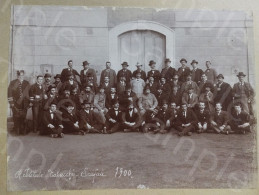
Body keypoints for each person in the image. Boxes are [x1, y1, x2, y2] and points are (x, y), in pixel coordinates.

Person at [8, 70, 30, 135]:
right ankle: (16, 129)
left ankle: (22, 129)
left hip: (24, 103)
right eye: (20, 75)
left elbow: (30, 93)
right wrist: (11, 102)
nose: (21, 76)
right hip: (15, 103)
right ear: (17, 76)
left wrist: (30, 102)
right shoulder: (13, 82)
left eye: (22, 75)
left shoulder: (26, 83)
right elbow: (9, 93)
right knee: (16, 116)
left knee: (23, 116)